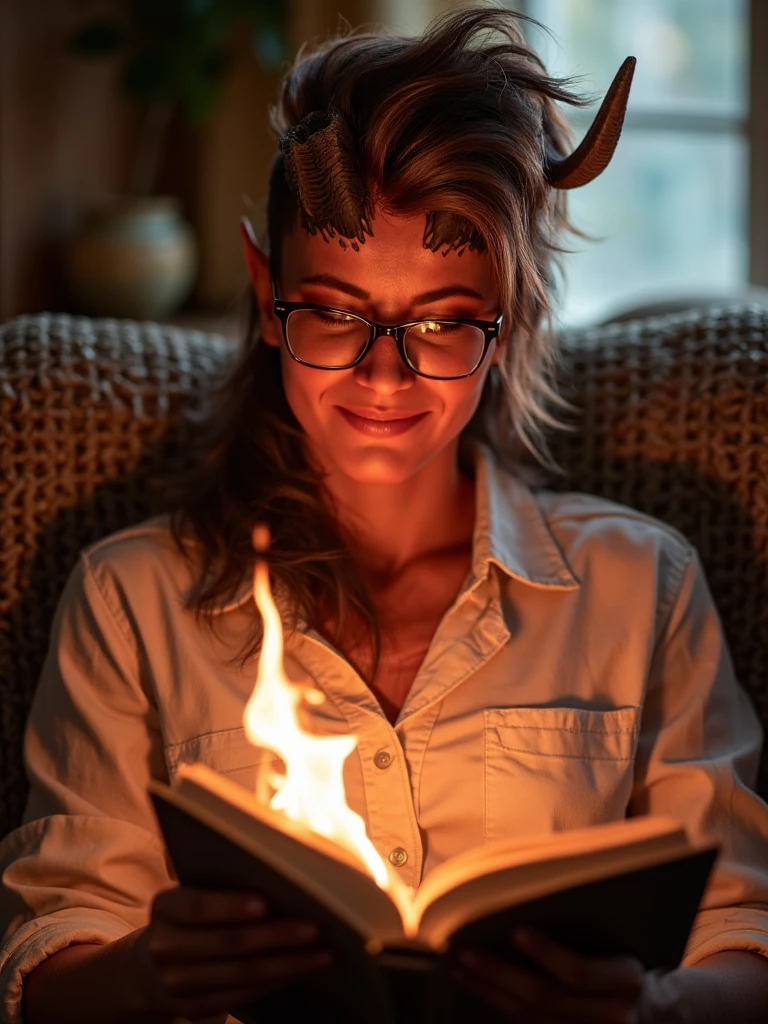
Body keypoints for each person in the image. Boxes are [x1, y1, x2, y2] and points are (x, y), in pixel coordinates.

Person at [2, 7, 768, 1024]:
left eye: (443, 323)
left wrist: (651, 1009)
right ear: (267, 292)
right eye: (337, 311)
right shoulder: (131, 601)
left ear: (510, 320)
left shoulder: (642, 589)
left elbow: (745, 935)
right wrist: (146, 974)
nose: (383, 373)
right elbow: (49, 958)